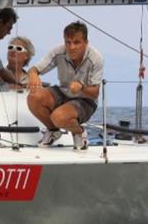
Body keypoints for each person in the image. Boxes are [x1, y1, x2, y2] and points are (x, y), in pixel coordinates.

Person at [26, 21, 103, 150]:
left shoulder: (96, 58)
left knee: (59, 117)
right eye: (68, 42)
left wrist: (81, 87)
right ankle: (53, 131)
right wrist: (33, 75)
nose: (72, 47)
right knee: (34, 97)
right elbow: (34, 69)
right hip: (63, 92)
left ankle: (79, 133)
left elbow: (95, 92)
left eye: (76, 42)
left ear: (86, 42)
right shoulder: (58, 52)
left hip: (86, 100)